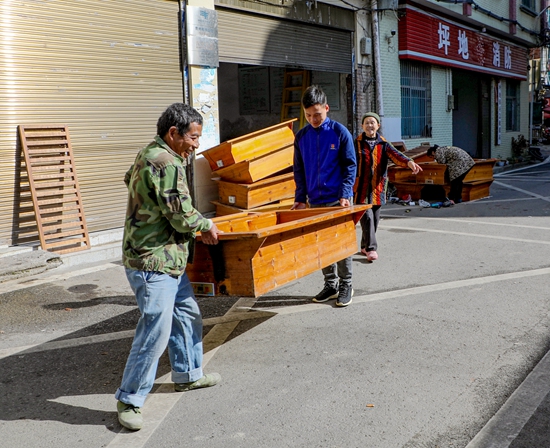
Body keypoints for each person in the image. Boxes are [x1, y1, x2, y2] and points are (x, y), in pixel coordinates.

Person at [115, 103, 222, 431]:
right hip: (153, 260)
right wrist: (205, 225)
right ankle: (129, 398)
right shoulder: (166, 162)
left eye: (198, 137)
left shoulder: (149, 153)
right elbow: (181, 214)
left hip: (166, 258)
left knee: (186, 314)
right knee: (155, 328)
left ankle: (188, 374)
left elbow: (127, 180)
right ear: (173, 133)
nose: (196, 144)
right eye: (192, 137)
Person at [292, 85, 357, 307]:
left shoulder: (339, 132)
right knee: (321, 244)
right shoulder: (301, 136)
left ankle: (346, 283)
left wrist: (345, 193)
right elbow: (298, 170)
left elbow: (350, 166)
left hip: (338, 199)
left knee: (341, 245)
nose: (313, 119)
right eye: (308, 115)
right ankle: (331, 284)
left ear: (327, 108)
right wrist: (300, 198)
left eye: (317, 114)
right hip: (315, 200)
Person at [355, 112, 422, 262]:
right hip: (360, 188)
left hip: (377, 188)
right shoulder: (356, 143)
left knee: (375, 220)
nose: (369, 125)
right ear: (362, 126)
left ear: (378, 125)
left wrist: (409, 162)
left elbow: (397, 155)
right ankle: (371, 249)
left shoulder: (384, 144)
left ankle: (364, 246)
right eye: (366, 123)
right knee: (367, 217)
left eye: (372, 122)